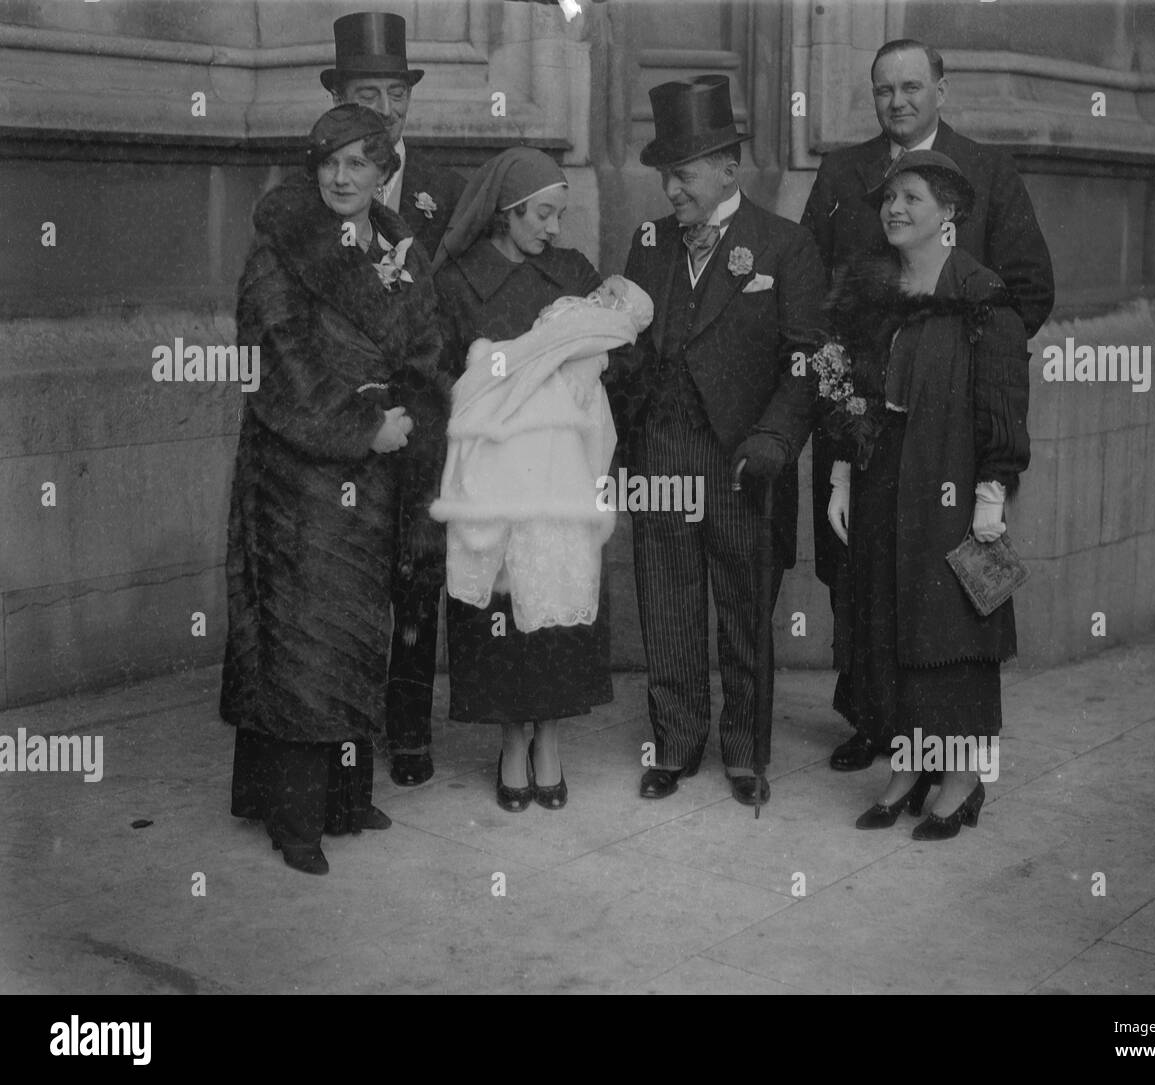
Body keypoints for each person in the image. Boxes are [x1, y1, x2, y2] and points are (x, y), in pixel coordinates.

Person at [801, 37, 1054, 773]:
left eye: (913, 86)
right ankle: (874, 718)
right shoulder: (844, 173)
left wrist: (959, 364)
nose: (899, 101)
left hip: (946, 429)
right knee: (861, 572)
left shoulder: (988, 173)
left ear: (942, 88)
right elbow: (815, 291)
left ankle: (941, 746)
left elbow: (1028, 290)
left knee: (940, 583)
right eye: (884, 89)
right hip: (862, 415)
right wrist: (845, 381)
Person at [221, 104, 451, 874]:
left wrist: (417, 413)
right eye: (330, 162)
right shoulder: (280, 253)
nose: (343, 177)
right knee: (302, 641)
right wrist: (363, 425)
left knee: (357, 632)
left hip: (377, 474)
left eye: (360, 162)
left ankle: (347, 797)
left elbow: (426, 343)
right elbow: (275, 360)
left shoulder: (398, 247)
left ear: (386, 168)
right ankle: (295, 820)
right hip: (300, 475)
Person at [611, 75, 823, 807]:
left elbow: (806, 357)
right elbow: (634, 348)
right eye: (666, 174)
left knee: (743, 614)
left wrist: (775, 437)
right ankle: (674, 744)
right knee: (666, 607)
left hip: (744, 464)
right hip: (662, 454)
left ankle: (744, 752)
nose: (672, 189)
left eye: (686, 173)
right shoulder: (648, 245)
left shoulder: (786, 246)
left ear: (730, 167)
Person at [817, 149, 1029, 840]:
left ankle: (962, 778)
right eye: (888, 199)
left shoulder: (981, 294)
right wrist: (843, 474)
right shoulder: (872, 292)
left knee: (954, 623)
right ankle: (909, 763)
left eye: (911, 197)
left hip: (953, 478)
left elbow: (1003, 401)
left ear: (950, 211)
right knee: (888, 618)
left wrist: (993, 495)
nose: (895, 209)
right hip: (883, 476)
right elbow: (849, 395)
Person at [431, 147, 614, 813]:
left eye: (560, 214)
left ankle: (551, 739)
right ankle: (513, 740)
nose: (553, 229)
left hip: (559, 474)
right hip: (492, 473)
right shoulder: (456, 283)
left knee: (557, 605)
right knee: (502, 611)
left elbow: (608, 344)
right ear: (506, 214)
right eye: (542, 214)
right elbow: (438, 374)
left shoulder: (569, 274)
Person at [322, 10, 468, 788]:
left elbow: (467, 301)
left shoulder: (448, 189)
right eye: (363, 91)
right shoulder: (320, 186)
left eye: (393, 92)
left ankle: (409, 728)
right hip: (344, 417)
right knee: (344, 575)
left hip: (425, 415)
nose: (382, 108)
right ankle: (344, 732)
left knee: (417, 571)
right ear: (341, 97)